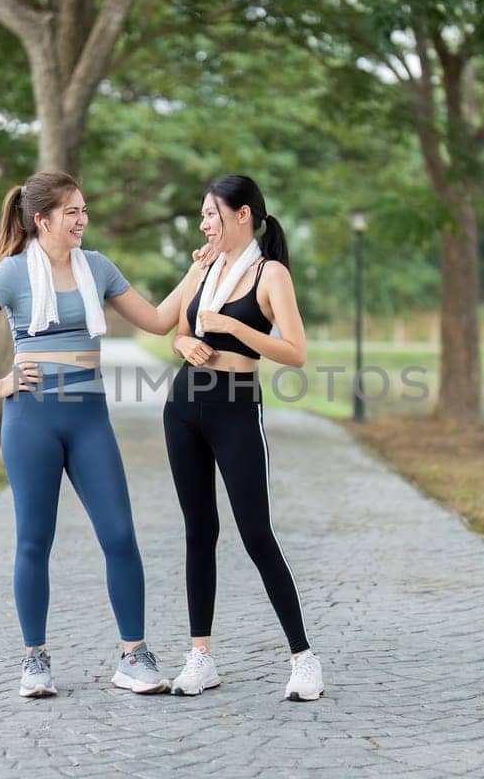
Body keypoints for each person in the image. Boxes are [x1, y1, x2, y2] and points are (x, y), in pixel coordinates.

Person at [0, 170, 209, 698]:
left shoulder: (98, 268)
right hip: (30, 420)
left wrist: (195, 274)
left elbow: (155, 321)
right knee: (35, 541)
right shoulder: (13, 274)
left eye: (84, 210)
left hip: (89, 420)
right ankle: (34, 660)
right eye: (72, 212)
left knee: (120, 536)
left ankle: (134, 655)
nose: (82, 220)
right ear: (43, 220)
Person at [162, 175, 324, 701]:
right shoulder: (203, 266)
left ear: (243, 215)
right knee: (197, 530)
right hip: (183, 406)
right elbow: (176, 330)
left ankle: (303, 659)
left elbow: (295, 351)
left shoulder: (270, 273)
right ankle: (200, 656)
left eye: (211, 213)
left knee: (256, 533)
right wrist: (185, 344)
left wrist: (234, 330)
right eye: (203, 214)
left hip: (235, 407)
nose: (205, 222)